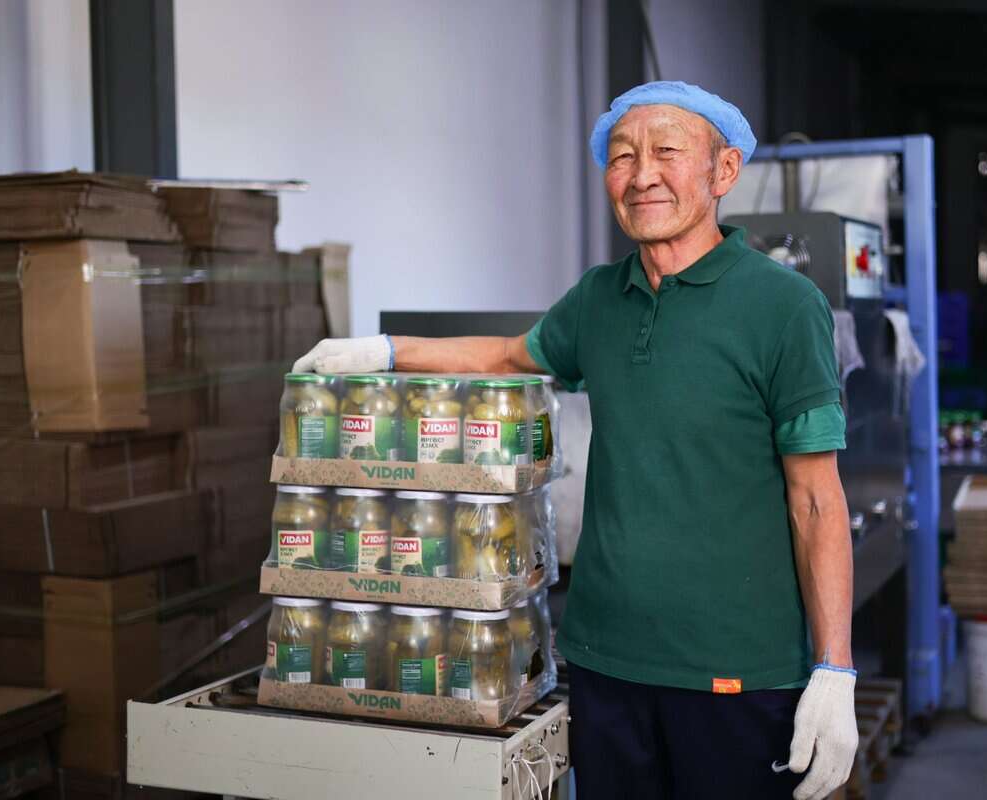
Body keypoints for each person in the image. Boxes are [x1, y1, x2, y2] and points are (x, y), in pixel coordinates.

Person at [294, 80, 858, 800]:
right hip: (606, 663)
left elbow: (816, 498)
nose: (641, 173)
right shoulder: (600, 297)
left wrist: (834, 667)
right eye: (622, 156)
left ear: (723, 172)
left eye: (666, 152)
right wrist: (385, 352)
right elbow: (506, 355)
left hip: (736, 674)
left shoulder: (783, 307)